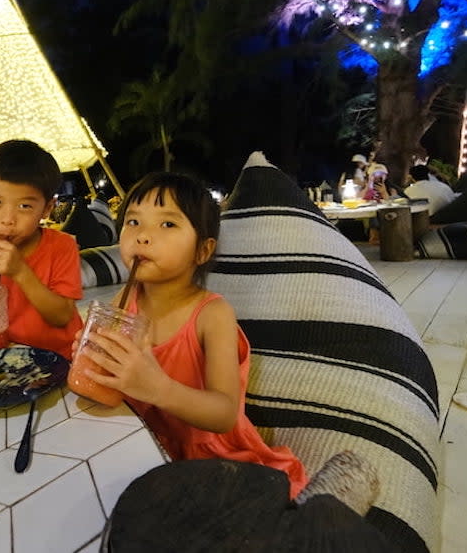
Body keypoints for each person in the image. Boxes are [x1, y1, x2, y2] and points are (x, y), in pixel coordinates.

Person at [75, 171, 307, 498]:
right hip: (144, 444)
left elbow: (224, 413)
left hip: (213, 459)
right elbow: (118, 387)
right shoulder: (123, 304)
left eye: (167, 224)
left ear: (202, 251)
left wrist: (159, 388)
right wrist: (94, 360)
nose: (142, 236)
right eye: (133, 222)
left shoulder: (212, 315)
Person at [0, 139, 84, 359]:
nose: (7, 220)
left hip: (60, 358)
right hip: (8, 356)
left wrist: (20, 271)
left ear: (47, 208)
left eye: (24, 206)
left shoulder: (62, 246)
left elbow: (62, 316)